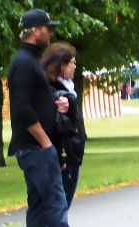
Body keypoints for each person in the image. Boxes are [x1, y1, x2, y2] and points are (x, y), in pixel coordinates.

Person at [7, 9, 102, 227]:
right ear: (35, 30)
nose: (51, 33)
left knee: (38, 205)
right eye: (48, 28)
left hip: (34, 148)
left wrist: (54, 104)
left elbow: (35, 102)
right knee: (55, 203)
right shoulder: (24, 63)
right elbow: (22, 110)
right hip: (36, 149)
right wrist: (47, 143)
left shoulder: (29, 62)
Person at [41, 42, 84, 207]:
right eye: (72, 62)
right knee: (58, 208)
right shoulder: (55, 92)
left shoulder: (67, 90)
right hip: (65, 159)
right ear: (61, 65)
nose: (75, 66)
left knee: (61, 207)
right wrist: (61, 160)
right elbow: (54, 129)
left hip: (71, 157)